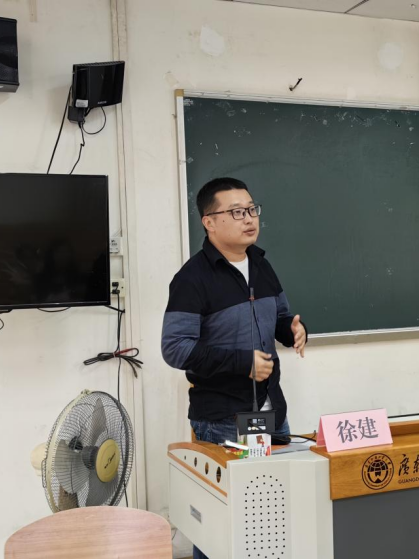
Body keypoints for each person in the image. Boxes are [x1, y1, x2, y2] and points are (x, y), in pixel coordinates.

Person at [161, 177, 307, 559]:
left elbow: (280, 316)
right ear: (209, 222)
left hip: (270, 410)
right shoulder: (192, 279)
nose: (249, 219)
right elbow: (175, 349)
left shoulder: (261, 264)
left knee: (271, 516)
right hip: (223, 418)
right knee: (222, 522)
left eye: (252, 209)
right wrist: (243, 363)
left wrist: (293, 330)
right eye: (237, 212)